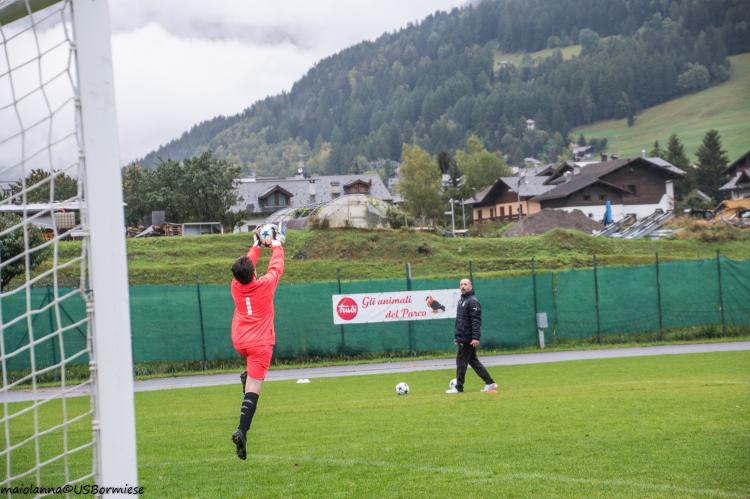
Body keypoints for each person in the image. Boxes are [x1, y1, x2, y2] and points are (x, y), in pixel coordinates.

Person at [230, 225, 284, 460]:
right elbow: (277, 266)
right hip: (260, 343)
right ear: (252, 272)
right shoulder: (265, 285)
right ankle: (242, 430)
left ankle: (246, 376)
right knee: (254, 388)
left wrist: (256, 244)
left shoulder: (235, 286)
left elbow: (247, 264)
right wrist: (276, 243)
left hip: (240, 340)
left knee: (250, 377)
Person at [446, 278, 497, 394]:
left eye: (465, 284)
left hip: (468, 338)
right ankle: (490, 383)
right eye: (461, 284)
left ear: (471, 286)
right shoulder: (461, 300)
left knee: (461, 362)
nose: (463, 286)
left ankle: (459, 387)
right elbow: (459, 321)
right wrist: (457, 337)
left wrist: (475, 337)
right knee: (473, 361)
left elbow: (476, 321)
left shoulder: (473, 301)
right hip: (462, 337)